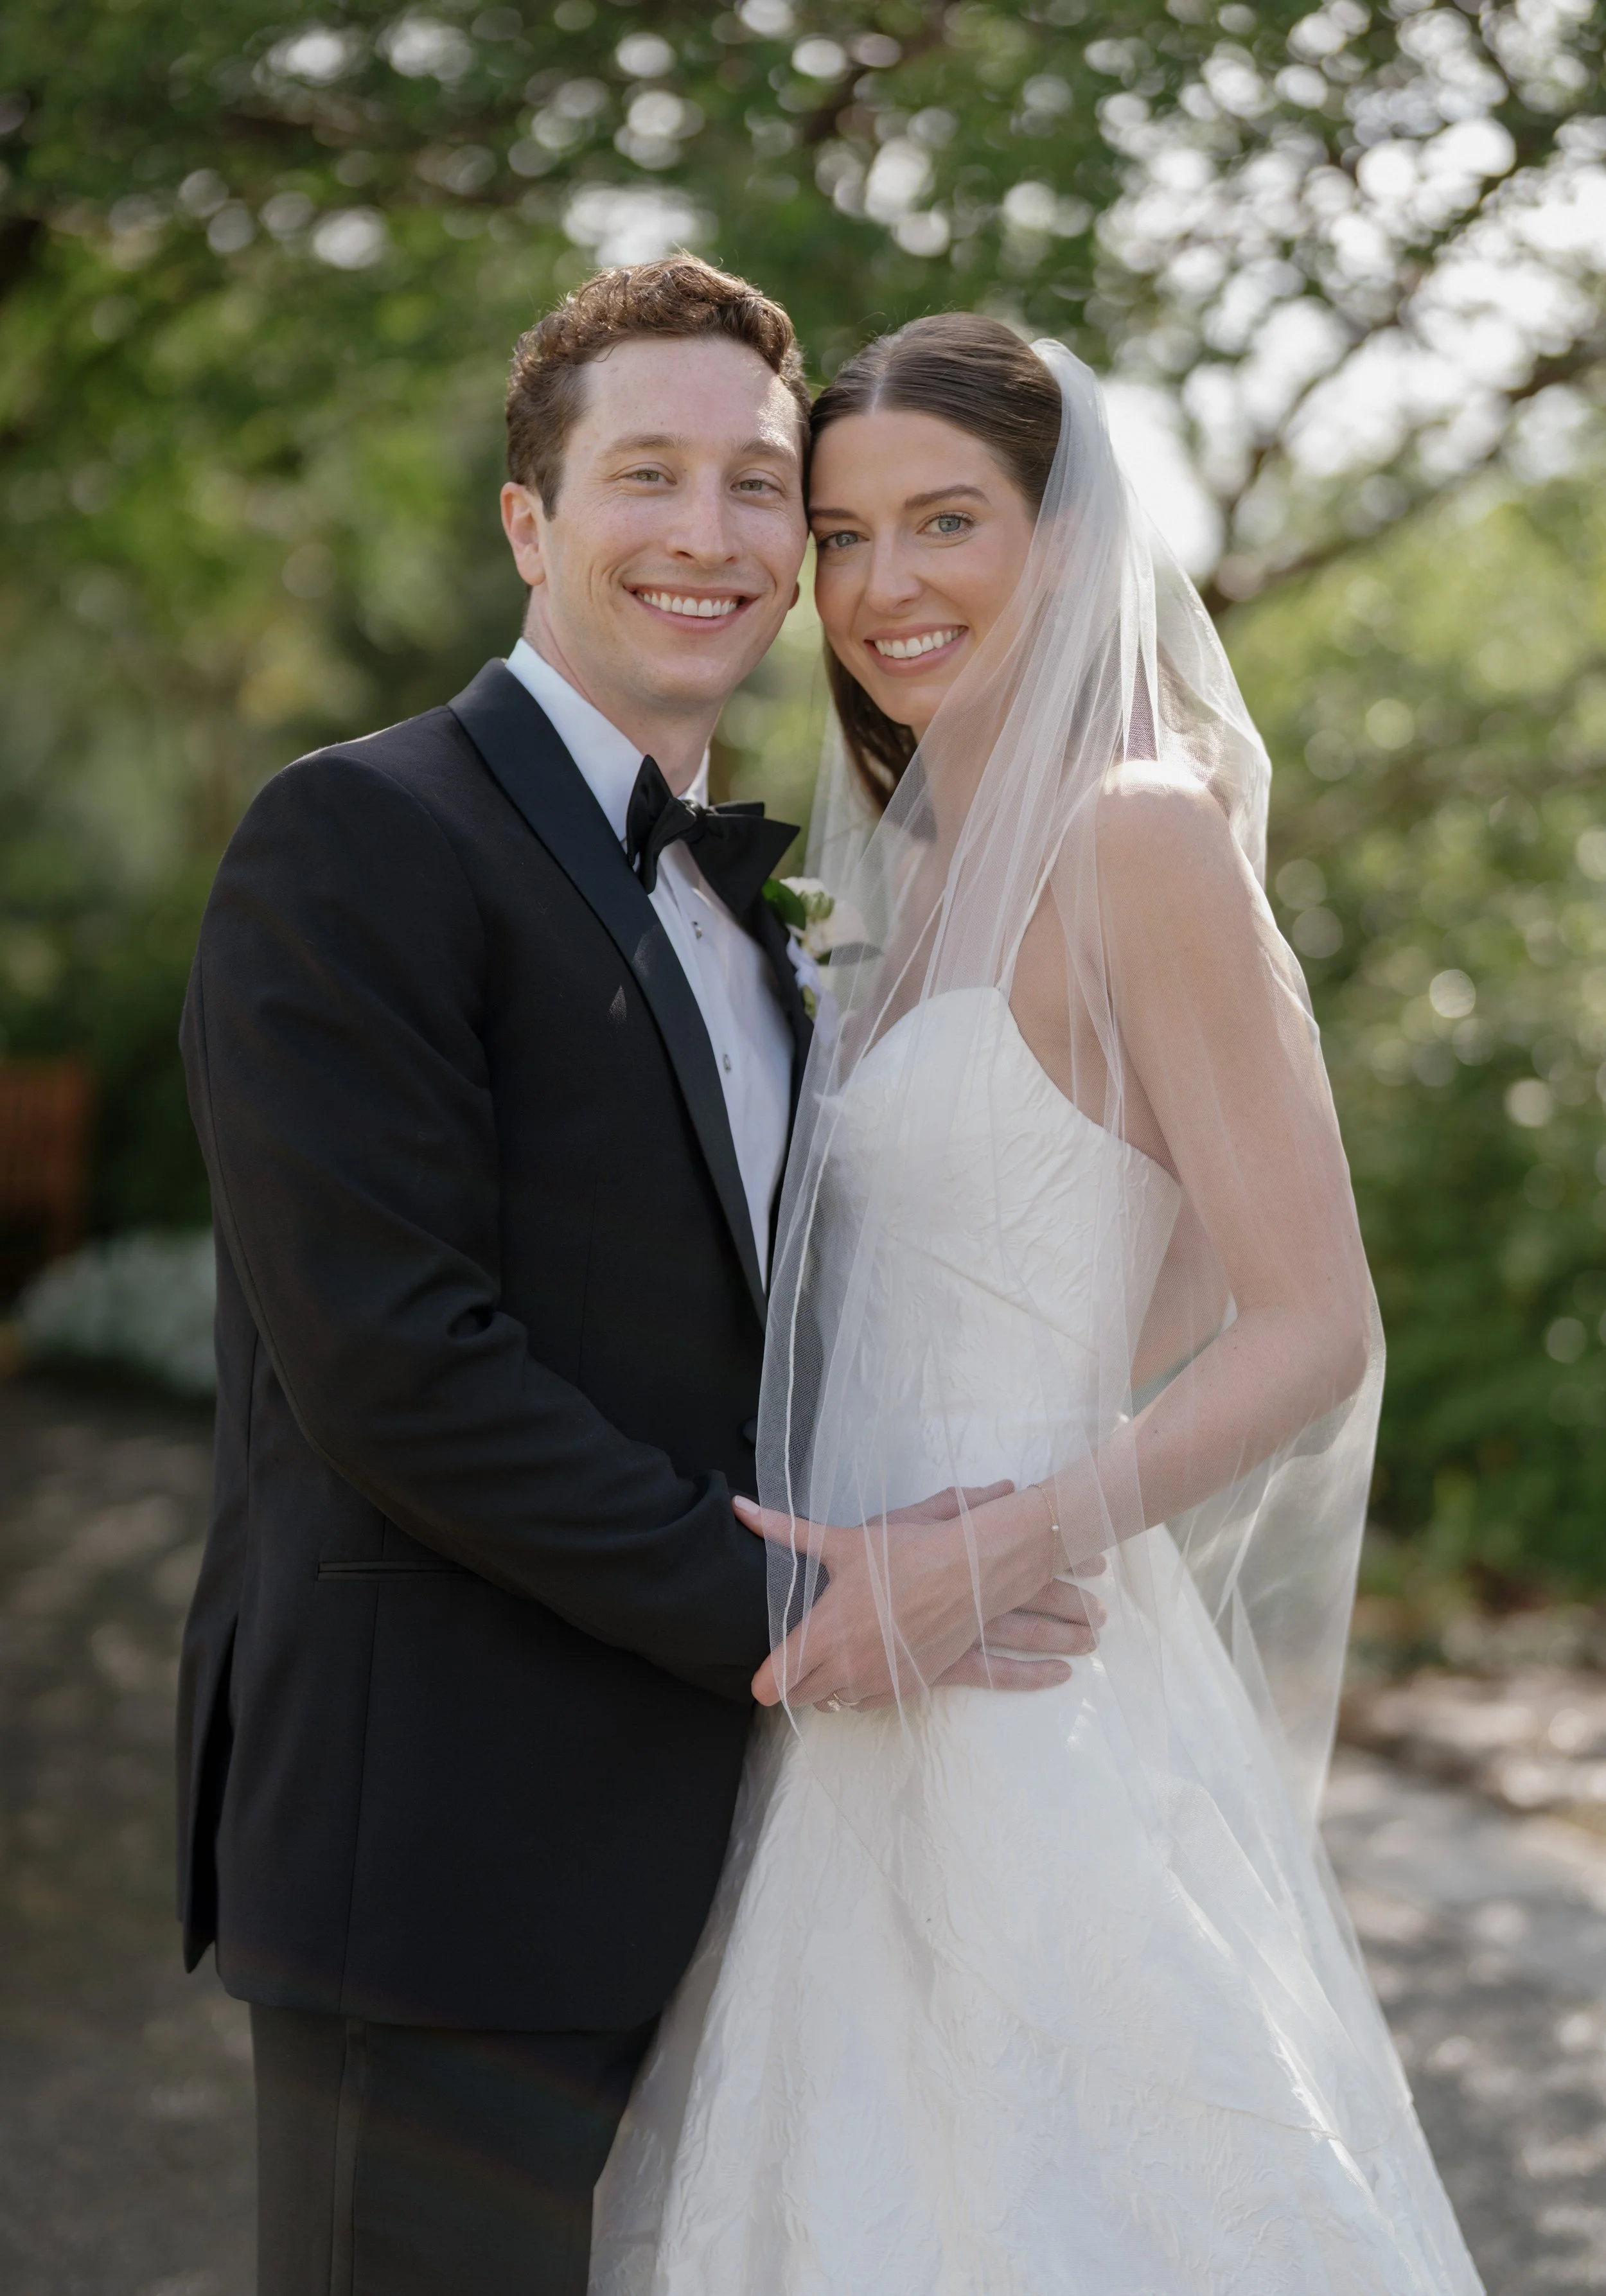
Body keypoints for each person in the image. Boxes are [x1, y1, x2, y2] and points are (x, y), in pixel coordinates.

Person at [175, 262, 1094, 2296]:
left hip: (746, 1857)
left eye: (761, 488)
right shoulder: (358, 837)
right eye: (646, 474)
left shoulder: (759, 899)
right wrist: (820, 1603)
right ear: (529, 516)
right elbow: (394, 1362)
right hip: (439, 1852)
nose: (711, 534)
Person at [591, 317, 1485, 2293]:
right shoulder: (904, 887)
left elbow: (1307, 1319)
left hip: (1022, 1670)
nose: (880, 585)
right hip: (850, 1688)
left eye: (944, 522)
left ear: (1066, 546)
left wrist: (1000, 1540)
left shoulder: (1136, 833)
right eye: (839, 534)